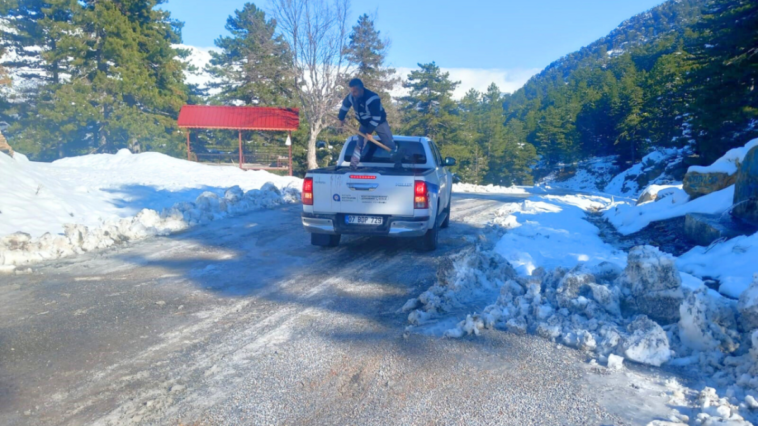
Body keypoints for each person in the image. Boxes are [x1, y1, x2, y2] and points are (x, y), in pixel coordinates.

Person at [338, 78, 397, 169]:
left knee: (389, 143)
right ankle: (353, 166)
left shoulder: (372, 98)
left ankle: (398, 162)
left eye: (355, 91)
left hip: (379, 122)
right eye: (352, 91)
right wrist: (341, 118)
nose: (353, 94)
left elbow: (376, 117)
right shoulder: (351, 97)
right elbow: (344, 107)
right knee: (360, 144)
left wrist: (369, 132)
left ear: (361, 90)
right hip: (365, 123)